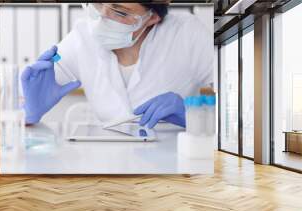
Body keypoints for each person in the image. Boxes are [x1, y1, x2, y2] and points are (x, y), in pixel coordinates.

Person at [21, 3, 213, 128]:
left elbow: (238, 101)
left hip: (175, 170)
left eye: (120, 12)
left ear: (152, 17)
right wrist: (29, 112)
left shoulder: (187, 33)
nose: (101, 18)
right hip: (108, 168)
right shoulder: (81, 35)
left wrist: (194, 116)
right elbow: (17, 106)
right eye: (97, 3)